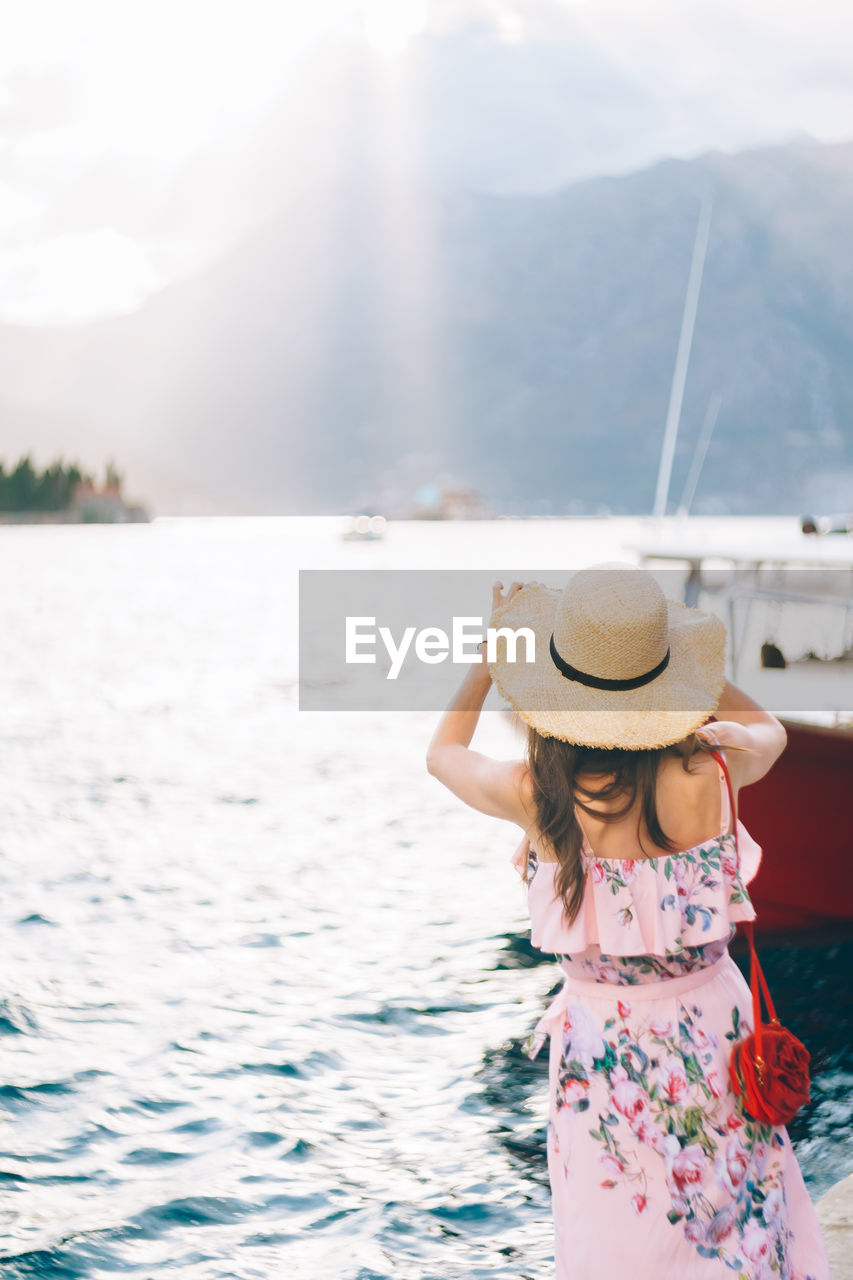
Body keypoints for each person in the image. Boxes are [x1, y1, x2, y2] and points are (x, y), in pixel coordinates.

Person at [426, 564, 832, 1279]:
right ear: (663, 684)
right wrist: (687, 669)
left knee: (616, 1224)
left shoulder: (536, 794)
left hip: (602, 1043)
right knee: (731, 1208)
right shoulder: (710, 771)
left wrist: (491, 661)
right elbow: (769, 729)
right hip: (712, 1024)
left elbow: (442, 756)